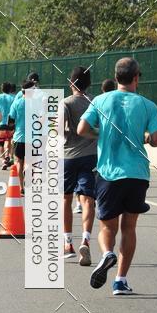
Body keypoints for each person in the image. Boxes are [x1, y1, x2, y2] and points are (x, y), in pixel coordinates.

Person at [78, 57, 157, 295]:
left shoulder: (101, 100)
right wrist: (144, 138)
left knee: (107, 227)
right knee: (129, 227)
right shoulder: (148, 105)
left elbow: (81, 129)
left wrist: (101, 134)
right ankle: (120, 280)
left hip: (108, 173)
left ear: (116, 78)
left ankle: (107, 254)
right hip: (137, 174)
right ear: (137, 77)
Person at [63, 66, 97, 264]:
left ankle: (68, 243)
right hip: (90, 155)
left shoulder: (65, 103)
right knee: (87, 199)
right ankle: (86, 239)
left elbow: (58, 131)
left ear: (71, 83)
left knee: (66, 199)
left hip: (68, 156)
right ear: (89, 83)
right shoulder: (94, 102)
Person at [7, 80, 35, 192]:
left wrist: (13, 129)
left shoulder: (16, 103)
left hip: (19, 136)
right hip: (32, 137)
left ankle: (21, 187)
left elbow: (10, 120)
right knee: (29, 162)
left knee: (19, 161)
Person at [0, 81, 15, 169]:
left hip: (0, 124)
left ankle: (3, 160)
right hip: (10, 123)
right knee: (9, 141)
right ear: (10, 89)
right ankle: (8, 156)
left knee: (0, 144)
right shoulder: (14, 98)